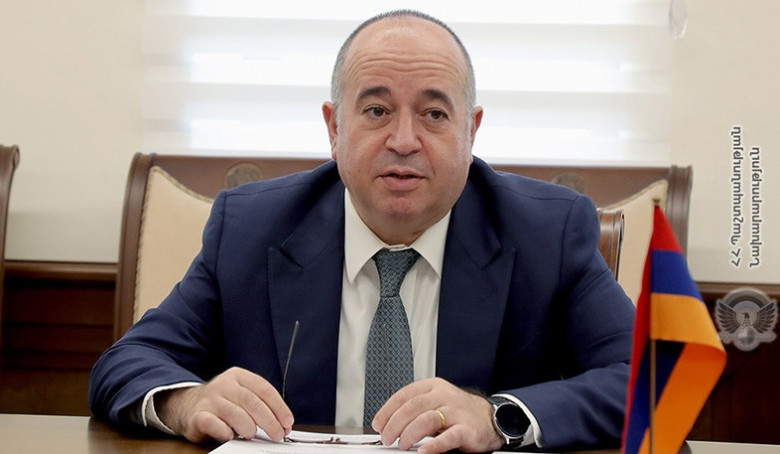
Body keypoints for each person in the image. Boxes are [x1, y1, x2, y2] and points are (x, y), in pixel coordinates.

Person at [89, 9, 635, 453]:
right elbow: (126, 363)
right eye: (376, 111)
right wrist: (187, 402)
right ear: (334, 128)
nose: (404, 140)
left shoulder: (547, 232)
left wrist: (497, 418)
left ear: (471, 131)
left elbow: (653, 377)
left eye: (434, 115)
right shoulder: (252, 229)